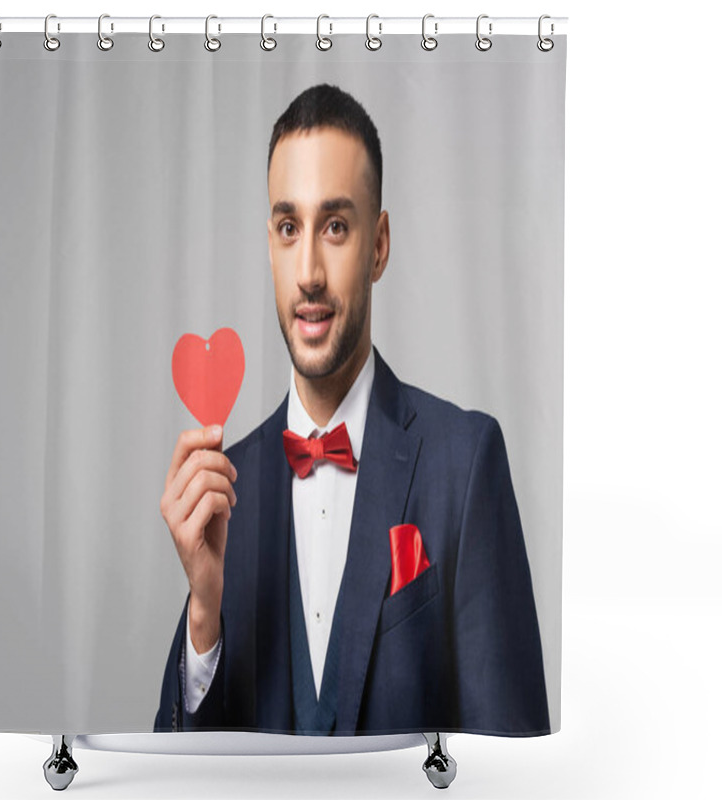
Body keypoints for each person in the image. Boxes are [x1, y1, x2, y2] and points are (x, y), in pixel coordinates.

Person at [154, 83, 550, 736]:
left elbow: (512, 763)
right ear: (271, 247)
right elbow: (178, 774)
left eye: (335, 226)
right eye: (289, 228)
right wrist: (203, 613)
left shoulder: (465, 461)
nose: (309, 269)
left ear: (379, 245)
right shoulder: (228, 487)